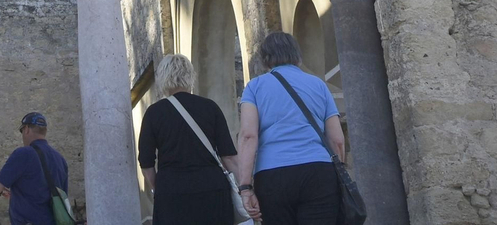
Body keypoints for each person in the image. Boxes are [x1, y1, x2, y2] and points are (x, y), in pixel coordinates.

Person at [234, 31, 346, 225]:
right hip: (318, 171)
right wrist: (339, 175)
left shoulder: (254, 87)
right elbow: (337, 140)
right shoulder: (319, 85)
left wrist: (245, 187)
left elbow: (248, 136)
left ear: (265, 59)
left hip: (273, 174)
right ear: (297, 55)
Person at [137, 53, 239, 224]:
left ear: (163, 78)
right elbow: (228, 156)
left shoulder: (154, 113)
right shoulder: (210, 108)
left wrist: (159, 187)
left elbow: (146, 162)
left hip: (172, 192)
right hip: (211, 189)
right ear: (190, 76)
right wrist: (245, 187)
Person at [0, 112, 69, 225]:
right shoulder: (60, 159)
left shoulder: (23, 153)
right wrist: (16, 195)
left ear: (26, 129)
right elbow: (56, 195)